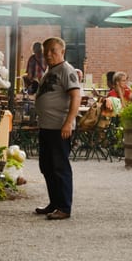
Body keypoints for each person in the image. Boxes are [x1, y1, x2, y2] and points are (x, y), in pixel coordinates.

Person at [34, 37, 82, 220]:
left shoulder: (66, 70)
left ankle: (64, 207)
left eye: (53, 50)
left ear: (62, 51)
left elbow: (75, 96)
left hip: (59, 127)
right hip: (47, 126)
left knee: (59, 167)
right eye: (46, 51)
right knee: (47, 166)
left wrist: (68, 122)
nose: (48, 54)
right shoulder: (51, 70)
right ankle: (54, 203)